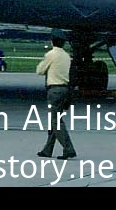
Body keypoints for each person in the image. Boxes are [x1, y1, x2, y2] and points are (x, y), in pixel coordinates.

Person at [36, 30, 76, 160]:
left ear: (52, 41)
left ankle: (68, 148)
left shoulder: (51, 54)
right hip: (65, 89)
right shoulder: (66, 56)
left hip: (54, 90)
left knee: (56, 121)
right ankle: (47, 150)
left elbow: (40, 71)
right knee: (55, 120)